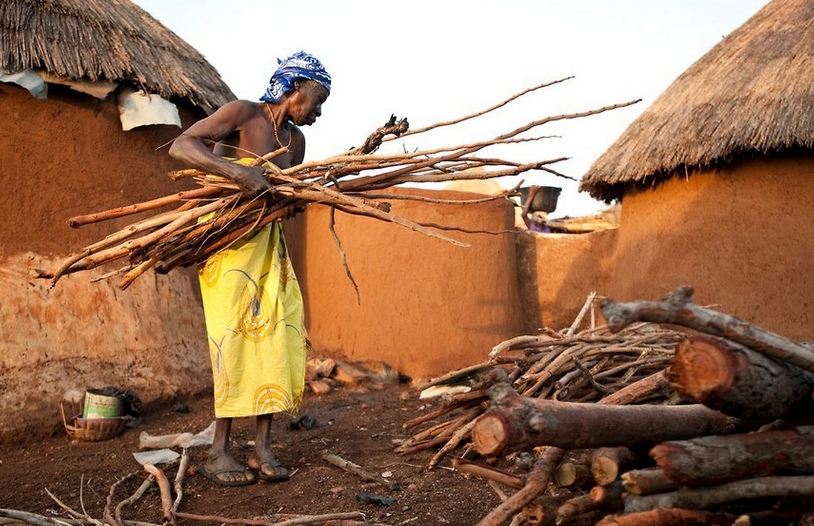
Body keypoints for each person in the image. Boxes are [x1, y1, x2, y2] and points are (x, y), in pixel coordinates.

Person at [168, 51, 331, 486]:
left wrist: (291, 203)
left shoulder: (295, 142)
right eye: (318, 97)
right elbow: (182, 145)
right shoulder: (243, 113)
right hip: (227, 248)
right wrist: (236, 174)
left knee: (276, 337)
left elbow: (281, 197)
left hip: (268, 249)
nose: (319, 109)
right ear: (294, 86)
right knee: (234, 341)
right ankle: (219, 452)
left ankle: (261, 449)